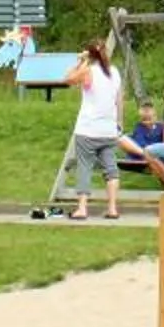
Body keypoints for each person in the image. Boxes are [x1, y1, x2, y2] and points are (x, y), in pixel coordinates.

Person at [60, 40, 126, 221]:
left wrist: (81, 61)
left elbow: (68, 79)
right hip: (108, 129)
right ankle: (112, 208)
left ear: (90, 54)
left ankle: (82, 208)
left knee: (85, 167)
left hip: (88, 128)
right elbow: (119, 99)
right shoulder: (114, 72)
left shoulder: (89, 70)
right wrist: (119, 121)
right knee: (111, 169)